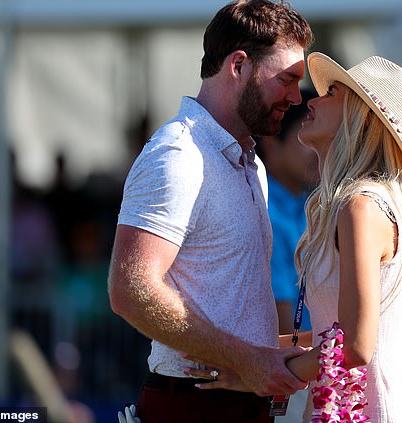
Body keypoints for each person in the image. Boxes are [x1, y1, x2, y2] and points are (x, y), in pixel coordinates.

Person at [188, 52, 402, 422]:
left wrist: (265, 374)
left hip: (371, 409)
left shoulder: (360, 207)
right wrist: (252, 358)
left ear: (362, 117)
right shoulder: (368, 202)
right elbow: (333, 335)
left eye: (332, 92)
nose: (313, 99)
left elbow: (354, 346)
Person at [107, 1, 313, 422]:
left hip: (232, 400)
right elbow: (129, 291)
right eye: (287, 79)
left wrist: (269, 356)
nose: (295, 97)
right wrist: (250, 358)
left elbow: (229, 307)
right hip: (193, 404)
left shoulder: (251, 160)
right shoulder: (176, 154)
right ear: (238, 65)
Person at [257, 89, 319, 422]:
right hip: (290, 373)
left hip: (308, 366)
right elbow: (283, 316)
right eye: (302, 137)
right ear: (270, 143)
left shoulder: (312, 203)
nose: (316, 150)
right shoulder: (265, 210)